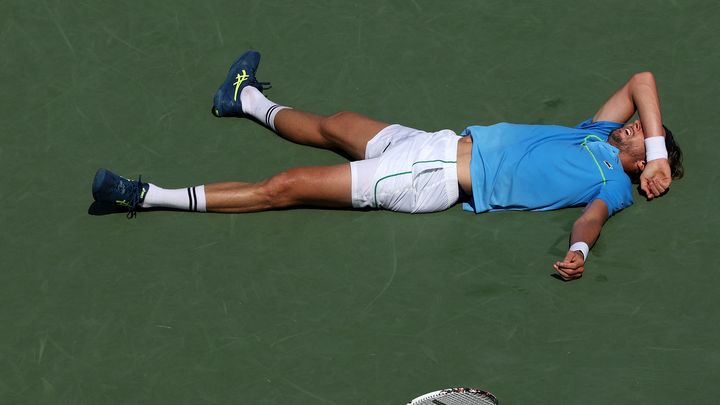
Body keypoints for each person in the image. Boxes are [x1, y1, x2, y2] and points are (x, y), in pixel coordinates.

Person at [91, 50, 684, 281]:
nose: (634, 126)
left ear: (637, 170)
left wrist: (579, 250)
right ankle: (242, 99)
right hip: (436, 141)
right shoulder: (600, 134)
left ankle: (142, 195)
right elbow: (642, 81)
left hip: (429, 177)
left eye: (641, 136)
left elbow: (592, 220)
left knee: (285, 187)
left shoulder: (612, 180)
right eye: (640, 128)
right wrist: (653, 149)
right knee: (338, 123)